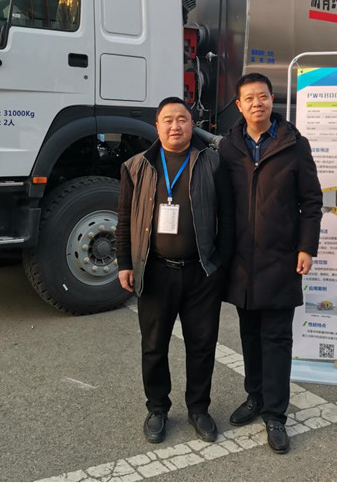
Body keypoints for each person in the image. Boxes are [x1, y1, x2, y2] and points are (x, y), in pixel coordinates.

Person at [116, 97, 234, 445]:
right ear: (157, 126)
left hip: (201, 272)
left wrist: (220, 263)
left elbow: (228, 218)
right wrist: (125, 263)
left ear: (191, 124)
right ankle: (157, 408)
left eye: (182, 119)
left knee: (202, 345)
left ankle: (199, 408)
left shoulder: (212, 161)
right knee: (154, 346)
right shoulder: (136, 166)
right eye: (167, 120)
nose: (175, 126)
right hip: (155, 272)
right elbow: (124, 219)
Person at [219, 73, 322, 455]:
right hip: (241, 261)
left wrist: (306, 247)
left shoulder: (293, 144)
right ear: (239, 105)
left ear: (271, 99)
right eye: (249, 98)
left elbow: (311, 201)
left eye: (262, 97)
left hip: (281, 258)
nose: (256, 103)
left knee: (277, 338)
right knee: (249, 334)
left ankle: (275, 414)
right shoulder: (229, 147)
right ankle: (255, 396)